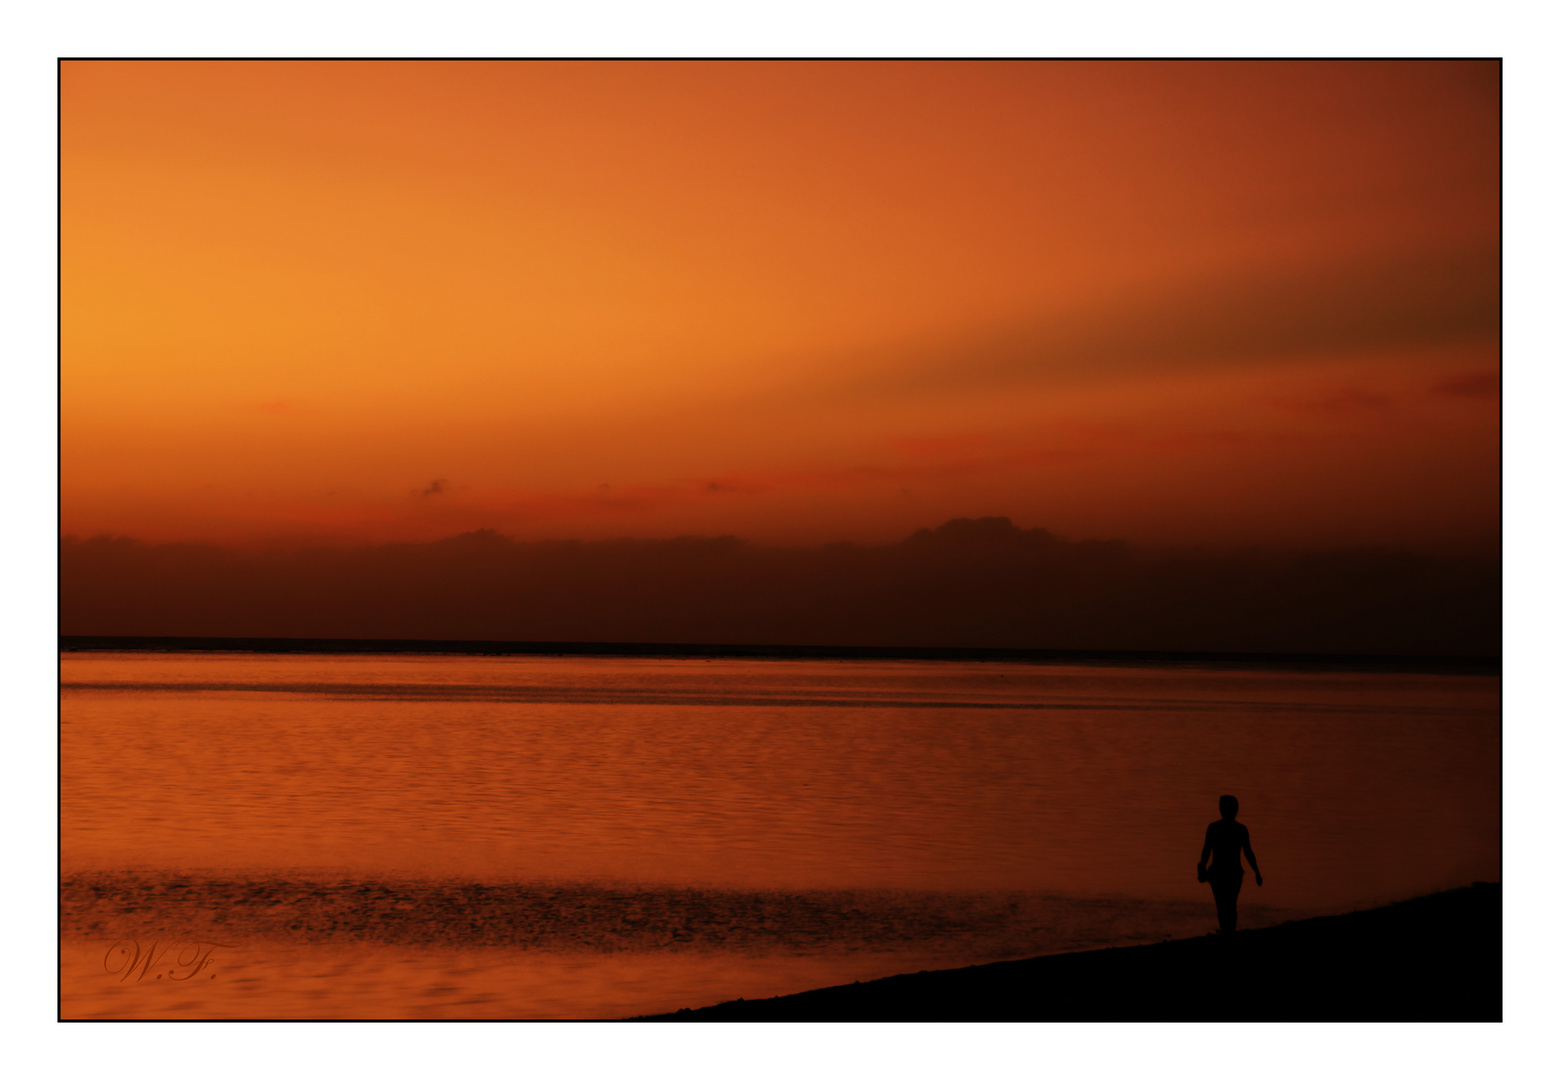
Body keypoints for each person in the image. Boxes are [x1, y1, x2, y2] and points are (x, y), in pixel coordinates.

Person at [1197, 795, 1262, 934]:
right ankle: (1228, 931)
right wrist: (1256, 871)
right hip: (1228, 873)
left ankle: (1227, 931)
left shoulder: (1216, 828)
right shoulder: (1239, 829)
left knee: (1224, 904)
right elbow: (1207, 850)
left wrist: (1257, 871)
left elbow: (1206, 850)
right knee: (1229, 904)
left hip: (1224, 873)